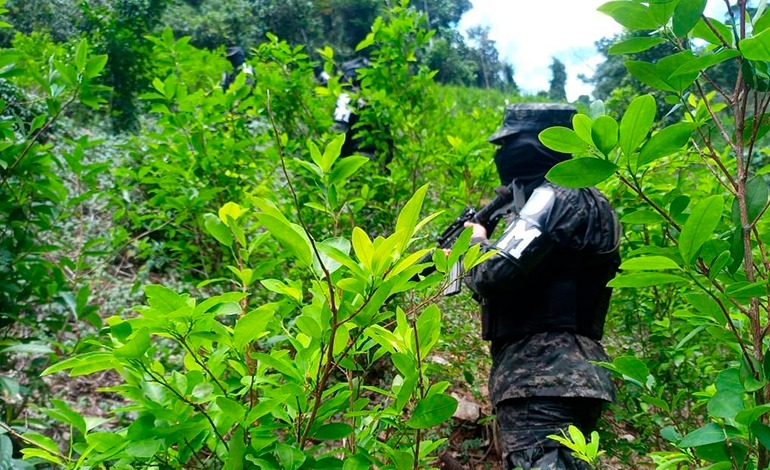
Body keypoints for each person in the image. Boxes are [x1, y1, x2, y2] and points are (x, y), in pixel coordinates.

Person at [462, 103, 620, 470]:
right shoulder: (590, 199)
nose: (501, 155)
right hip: (567, 375)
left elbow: (492, 274)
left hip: (542, 375)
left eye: (508, 145)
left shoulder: (556, 195)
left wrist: (475, 242)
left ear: (537, 144)